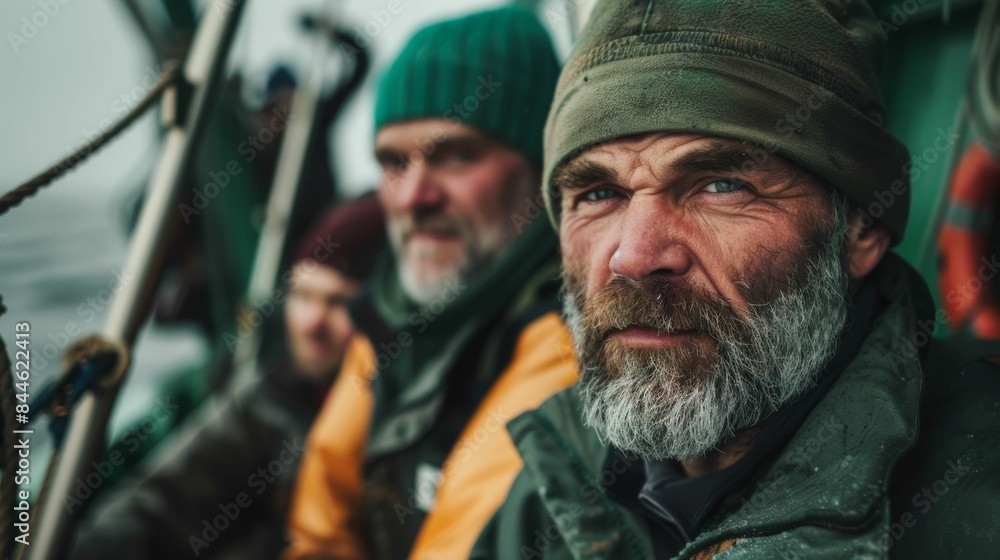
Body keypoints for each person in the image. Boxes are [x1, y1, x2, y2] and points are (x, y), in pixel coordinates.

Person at [472, 0, 1000, 558]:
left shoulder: (977, 498)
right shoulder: (553, 483)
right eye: (599, 195)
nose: (635, 256)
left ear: (860, 231)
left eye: (720, 186)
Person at [282, 7, 577, 560]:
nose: (415, 196)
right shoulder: (387, 315)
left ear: (541, 165)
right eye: (394, 163)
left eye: (458, 155)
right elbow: (319, 534)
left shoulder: (567, 346)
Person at [70, 194, 386, 560]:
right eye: (302, 296)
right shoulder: (268, 397)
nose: (310, 322)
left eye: (338, 302)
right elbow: (161, 501)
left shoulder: (394, 416)